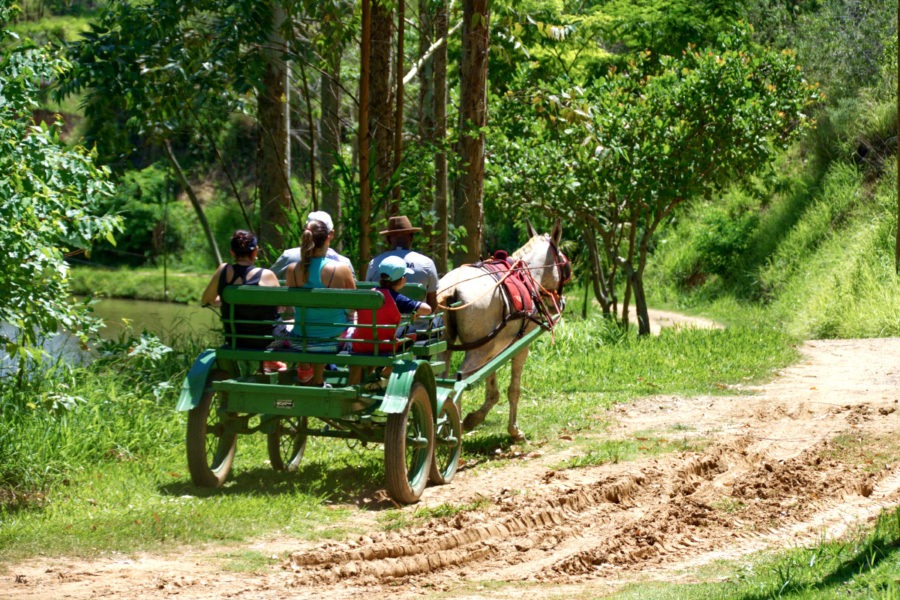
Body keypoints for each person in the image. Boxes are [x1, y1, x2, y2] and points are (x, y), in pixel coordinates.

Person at [201, 230, 285, 373]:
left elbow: (206, 300)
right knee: (291, 325)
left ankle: (266, 366)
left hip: (236, 340)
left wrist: (228, 300)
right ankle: (276, 364)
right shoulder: (266, 275)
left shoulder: (223, 271)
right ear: (255, 251)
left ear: (232, 252)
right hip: (268, 342)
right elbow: (281, 308)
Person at [285, 218, 356, 386]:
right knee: (350, 323)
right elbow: (353, 306)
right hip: (333, 340)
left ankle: (307, 372)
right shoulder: (341, 269)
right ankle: (318, 379)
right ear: (327, 239)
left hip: (299, 339)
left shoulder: (292, 270)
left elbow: (291, 305)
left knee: (301, 324)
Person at [349, 255, 433, 386]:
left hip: (361, 344)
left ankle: (360, 381)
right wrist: (414, 311)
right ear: (402, 279)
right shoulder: (398, 299)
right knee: (410, 332)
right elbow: (427, 309)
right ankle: (386, 370)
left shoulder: (369, 294)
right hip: (385, 346)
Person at [365, 215, 439, 312]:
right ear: (411, 237)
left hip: (381, 321)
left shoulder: (374, 263)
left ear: (388, 240)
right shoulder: (427, 263)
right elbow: (432, 303)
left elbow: (369, 295)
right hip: (418, 320)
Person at [270, 211, 355, 278]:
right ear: (331, 234)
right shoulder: (344, 264)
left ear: (306, 232)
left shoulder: (289, 258)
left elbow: (269, 283)